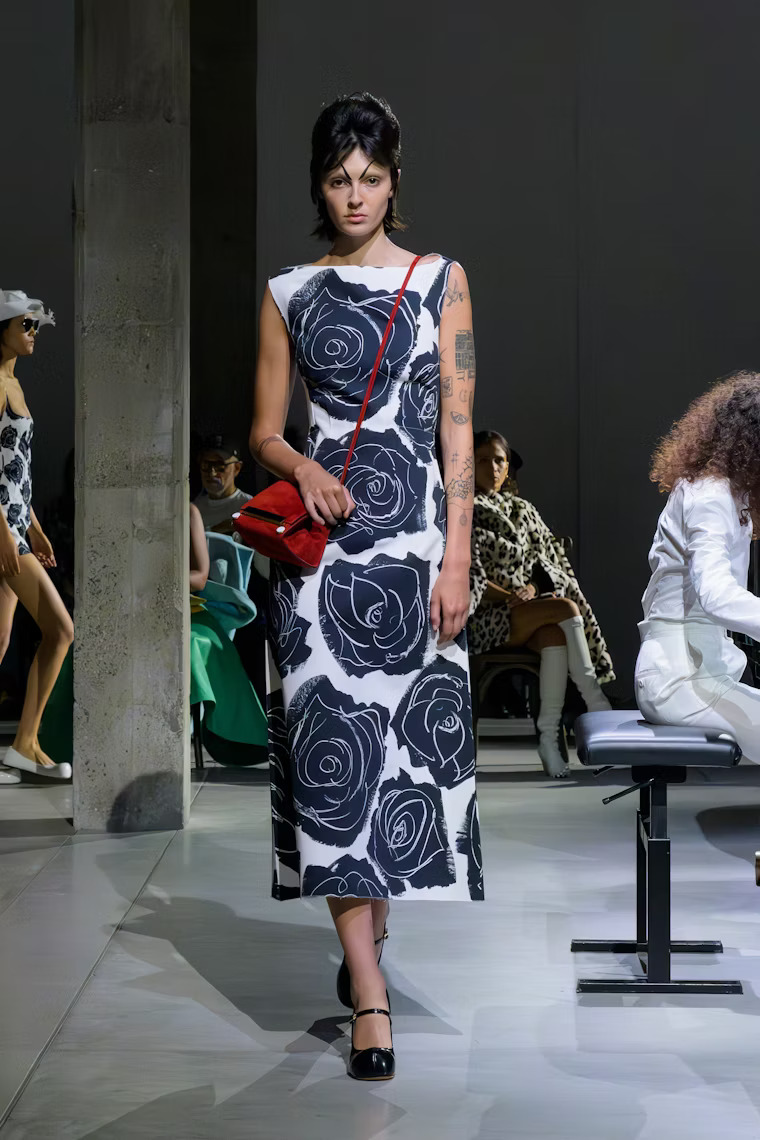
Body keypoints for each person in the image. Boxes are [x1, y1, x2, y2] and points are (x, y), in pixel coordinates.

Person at [248, 92, 482, 1082]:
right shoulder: (288, 292)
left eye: (371, 178)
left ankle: (368, 943)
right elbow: (263, 431)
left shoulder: (442, 282)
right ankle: (370, 993)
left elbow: (457, 431)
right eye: (339, 178)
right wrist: (303, 467)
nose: (354, 195)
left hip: (417, 551)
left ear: (393, 183)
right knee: (335, 767)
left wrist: (457, 556)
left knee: (396, 768)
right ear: (319, 184)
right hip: (320, 566)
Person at [469, 430, 613, 778]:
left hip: (526, 612)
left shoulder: (524, 511)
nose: (492, 467)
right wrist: (510, 596)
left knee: (554, 635)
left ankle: (548, 739)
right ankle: (599, 708)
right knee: (565, 609)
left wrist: (533, 588)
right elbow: (466, 577)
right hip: (483, 615)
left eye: (499, 460)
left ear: (508, 468)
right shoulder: (461, 509)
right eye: (483, 459)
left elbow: (553, 563)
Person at [635, 371, 760, 759]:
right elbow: (716, 596)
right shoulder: (711, 496)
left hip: (702, 671)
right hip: (679, 679)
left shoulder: (731, 494)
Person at [0, 290, 73, 781]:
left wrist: (34, 527)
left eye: (35, 326)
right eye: (25, 325)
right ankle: (25, 742)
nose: (33, 333)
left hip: (14, 526)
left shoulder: (15, 384)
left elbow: (15, 468)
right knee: (61, 630)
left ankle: (23, 746)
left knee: (1, 639)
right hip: (2, 530)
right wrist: (6, 533)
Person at [193, 435, 252, 533]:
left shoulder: (248, 507)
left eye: (220, 466)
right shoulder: (194, 508)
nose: (212, 473)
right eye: (206, 465)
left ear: (236, 468)